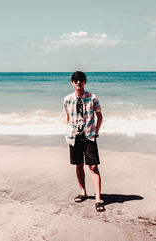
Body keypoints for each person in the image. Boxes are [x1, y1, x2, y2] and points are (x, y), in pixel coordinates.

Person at [63, 71, 105, 212]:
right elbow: (68, 117)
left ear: (85, 82)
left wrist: (96, 132)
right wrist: (70, 131)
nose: (78, 82)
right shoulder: (67, 99)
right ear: (72, 83)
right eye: (75, 80)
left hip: (89, 136)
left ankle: (98, 199)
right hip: (74, 137)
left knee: (93, 167)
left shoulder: (93, 98)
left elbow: (100, 117)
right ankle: (83, 192)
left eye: (81, 80)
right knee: (78, 165)